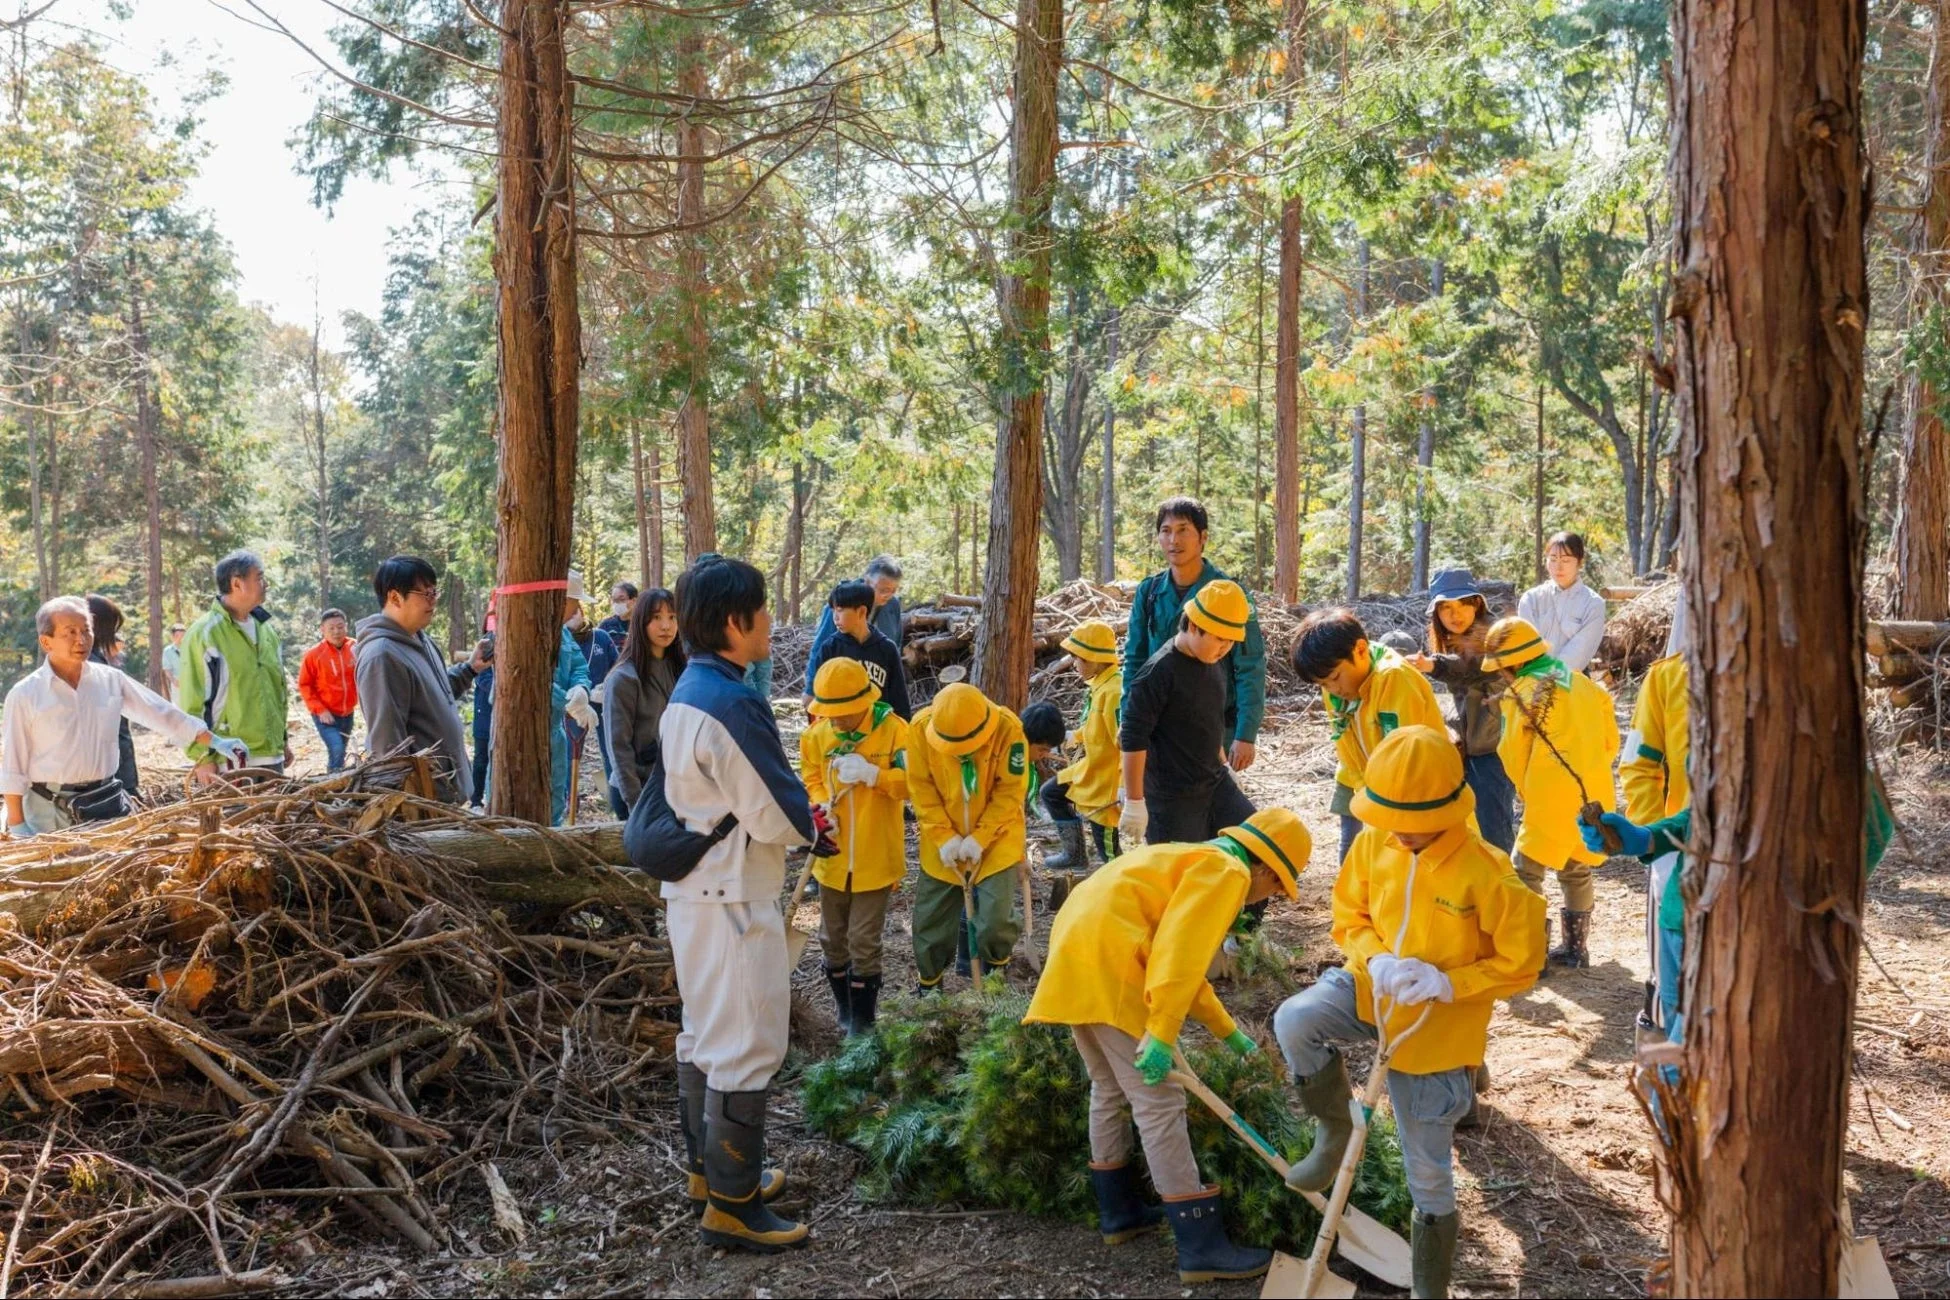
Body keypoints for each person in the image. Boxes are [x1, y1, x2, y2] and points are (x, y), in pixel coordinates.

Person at [1274, 725, 1544, 1300]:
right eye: (1386, 817)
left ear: (1447, 809)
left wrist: (1450, 983)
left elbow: (1522, 963)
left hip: (1436, 1028)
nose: (1396, 831)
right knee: (1295, 1019)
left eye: (1408, 822)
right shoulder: (1376, 843)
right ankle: (1334, 1128)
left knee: (1427, 1173)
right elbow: (1350, 917)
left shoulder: (1487, 871)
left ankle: (1429, 1288)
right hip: (1372, 991)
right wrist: (1376, 960)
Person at [1024, 807, 1308, 1284]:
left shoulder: (1188, 858)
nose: (1270, 898)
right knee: (1160, 1103)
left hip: (1076, 963)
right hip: (1113, 971)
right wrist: (1161, 1033)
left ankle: (1120, 1214)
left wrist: (1230, 1033)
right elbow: (1177, 958)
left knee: (1109, 1088)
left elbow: (1182, 962)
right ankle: (1201, 1246)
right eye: (1277, 887)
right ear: (1262, 866)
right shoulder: (1227, 872)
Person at [658, 555, 813, 1252]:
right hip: (732, 892)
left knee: (704, 1033)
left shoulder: (688, 687)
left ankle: (709, 1174)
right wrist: (815, 827)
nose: (769, 621)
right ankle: (734, 1206)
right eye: (762, 609)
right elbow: (779, 811)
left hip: (694, 890)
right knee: (747, 1043)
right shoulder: (733, 700)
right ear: (734, 622)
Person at [3, 597, 246, 835]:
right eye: (70, 632)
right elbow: (14, 763)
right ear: (46, 642)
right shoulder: (26, 694)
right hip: (49, 811)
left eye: (86, 631)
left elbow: (160, 713)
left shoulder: (110, 680)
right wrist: (17, 824)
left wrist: (215, 741)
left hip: (105, 804)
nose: (81, 640)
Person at [1480, 615, 1620, 971]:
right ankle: (1576, 951)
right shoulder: (1584, 683)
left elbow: (1512, 753)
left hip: (1548, 794)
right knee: (1576, 866)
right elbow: (1610, 742)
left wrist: (1529, 791)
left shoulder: (1520, 693)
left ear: (1514, 663)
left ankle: (1533, 955)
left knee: (1526, 870)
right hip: (1593, 792)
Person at [799, 657, 909, 1035]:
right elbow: (811, 776)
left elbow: (914, 783)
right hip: (833, 855)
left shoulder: (894, 731)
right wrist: (819, 804)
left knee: (863, 940)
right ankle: (844, 1011)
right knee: (831, 938)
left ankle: (863, 1024)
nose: (837, 720)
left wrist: (875, 775)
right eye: (829, 712)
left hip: (876, 854)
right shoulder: (817, 735)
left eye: (843, 712)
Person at [1121, 498, 1265, 775]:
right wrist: (1129, 719)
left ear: (1203, 537)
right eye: (1166, 530)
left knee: (1211, 803)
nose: (1173, 539)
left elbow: (1250, 665)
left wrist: (1245, 734)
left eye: (1183, 529)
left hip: (1213, 726)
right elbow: (1134, 660)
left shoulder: (1230, 593)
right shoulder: (1149, 592)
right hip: (1159, 725)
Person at [1292, 607, 1446, 863]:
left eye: (1335, 678)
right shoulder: (1334, 686)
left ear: (1361, 650)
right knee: (1355, 852)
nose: (1332, 690)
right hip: (1362, 780)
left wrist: (1382, 806)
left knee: (1406, 859)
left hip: (1413, 793)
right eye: (1323, 685)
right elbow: (1343, 741)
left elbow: (1407, 759)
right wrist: (1362, 788)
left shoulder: (1394, 679)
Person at [1118, 580, 1258, 859]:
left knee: (1256, 844)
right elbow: (1133, 738)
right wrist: (1134, 801)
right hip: (1173, 797)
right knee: (1185, 870)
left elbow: (1208, 723)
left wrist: (1224, 765)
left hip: (1214, 781)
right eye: (1220, 639)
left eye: (1231, 641)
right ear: (1194, 626)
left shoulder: (1212, 663)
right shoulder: (1157, 673)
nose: (1225, 648)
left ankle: (1241, 904)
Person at [906, 681, 1028, 990]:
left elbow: (1010, 791)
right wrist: (944, 837)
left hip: (996, 837)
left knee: (995, 921)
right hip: (941, 841)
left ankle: (995, 981)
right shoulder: (919, 730)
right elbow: (921, 790)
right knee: (930, 923)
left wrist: (981, 837)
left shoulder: (1008, 729)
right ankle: (930, 990)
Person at [355, 556, 490, 806]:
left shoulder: (419, 639)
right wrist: (408, 807)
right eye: (425, 593)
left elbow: (434, 694)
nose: (433, 600)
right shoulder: (382, 655)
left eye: (434, 592)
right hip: (425, 802)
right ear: (395, 597)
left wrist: (470, 669)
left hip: (444, 790)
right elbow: (387, 743)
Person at [1407, 570, 1515, 853]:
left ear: (1477, 604)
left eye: (1463, 604)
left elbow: (1473, 667)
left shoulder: (1496, 634)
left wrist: (1433, 665)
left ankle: (1507, 892)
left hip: (1496, 751)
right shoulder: (1453, 638)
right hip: (1469, 749)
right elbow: (1463, 698)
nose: (1456, 615)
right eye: (1446, 608)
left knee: (1495, 834)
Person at [177, 550, 291, 781]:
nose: (265, 584)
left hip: (272, 757)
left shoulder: (267, 630)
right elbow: (192, 702)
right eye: (259, 578)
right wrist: (203, 758)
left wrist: (283, 741)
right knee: (236, 818)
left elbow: (278, 691)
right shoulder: (205, 634)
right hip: (229, 758)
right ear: (237, 583)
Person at [1041, 621, 1124, 886]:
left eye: (1078, 658)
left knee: (1108, 850)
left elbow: (1125, 745)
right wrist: (1068, 740)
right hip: (1088, 771)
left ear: (1095, 659)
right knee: (1050, 793)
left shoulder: (1113, 693)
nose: (1073, 662)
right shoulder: (1099, 686)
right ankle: (1074, 854)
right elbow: (1092, 731)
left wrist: (1126, 787)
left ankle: (1122, 886)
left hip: (1106, 783)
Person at [603, 586, 683, 813]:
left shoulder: (682, 670)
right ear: (641, 622)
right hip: (637, 791)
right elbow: (619, 748)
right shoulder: (623, 678)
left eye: (672, 617)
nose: (666, 626)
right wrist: (636, 805)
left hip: (673, 788)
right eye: (656, 618)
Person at [801, 579, 912, 720]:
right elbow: (820, 695)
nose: (835, 617)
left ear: (861, 611)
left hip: (878, 729)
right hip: (840, 731)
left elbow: (899, 697)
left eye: (840, 610)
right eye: (833, 610)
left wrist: (904, 728)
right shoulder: (830, 648)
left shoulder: (886, 649)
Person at [801, 555, 905, 695]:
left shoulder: (893, 605)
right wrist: (810, 690)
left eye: (893, 590)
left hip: (877, 685)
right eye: (883, 590)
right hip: (840, 685)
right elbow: (819, 649)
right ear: (867, 581)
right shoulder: (842, 602)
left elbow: (896, 645)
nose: (888, 595)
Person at [564, 571, 619, 815]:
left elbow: (617, 667)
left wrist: (602, 689)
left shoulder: (601, 637)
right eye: (573, 604)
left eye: (579, 608)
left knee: (612, 750)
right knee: (568, 753)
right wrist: (571, 697)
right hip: (573, 704)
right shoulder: (561, 638)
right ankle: (568, 799)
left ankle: (615, 796)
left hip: (601, 702)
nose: (576, 611)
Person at [1517, 531, 1606, 675]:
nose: (1558, 567)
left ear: (1580, 562)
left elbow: (1581, 649)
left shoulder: (1593, 604)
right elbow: (1528, 646)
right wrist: (1538, 679)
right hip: (1532, 678)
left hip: (1573, 681)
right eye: (1552, 559)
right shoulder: (1530, 599)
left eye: (1565, 560)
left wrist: (1551, 677)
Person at [84, 594, 140, 796]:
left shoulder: (97, 660)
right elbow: (114, 731)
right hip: (106, 779)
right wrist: (128, 787)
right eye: (112, 628)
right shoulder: (92, 665)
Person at [298, 609, 359, 774]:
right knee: (337, 748)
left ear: (346, 627)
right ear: (322, 630)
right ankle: (334, 783)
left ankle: (336, 780)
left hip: (348, 712)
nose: (336, 632)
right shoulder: (314, 655)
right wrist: (320, 710)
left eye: (340, 627)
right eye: (331, 628)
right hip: (325, 714)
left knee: (340, 751)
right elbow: (305, 685)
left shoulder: (355, 647)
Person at [549, 622, 595, 825]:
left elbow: (578, 666)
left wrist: (581, 687)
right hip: (520, 735)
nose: (577, 609)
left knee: (554, 799)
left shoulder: (564, 633)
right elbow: (531, 676)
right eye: (574, 602)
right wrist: (568, 703)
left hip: (554, 731)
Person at [160, 623, 186, 697]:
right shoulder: (167, 651)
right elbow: (167, 669)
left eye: (183, 635)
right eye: (178, 636)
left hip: (191, 683)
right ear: (173, 636)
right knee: (178, 707)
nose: (181, 638)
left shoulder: (190, 649)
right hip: (177, 685)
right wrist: (174, 681)